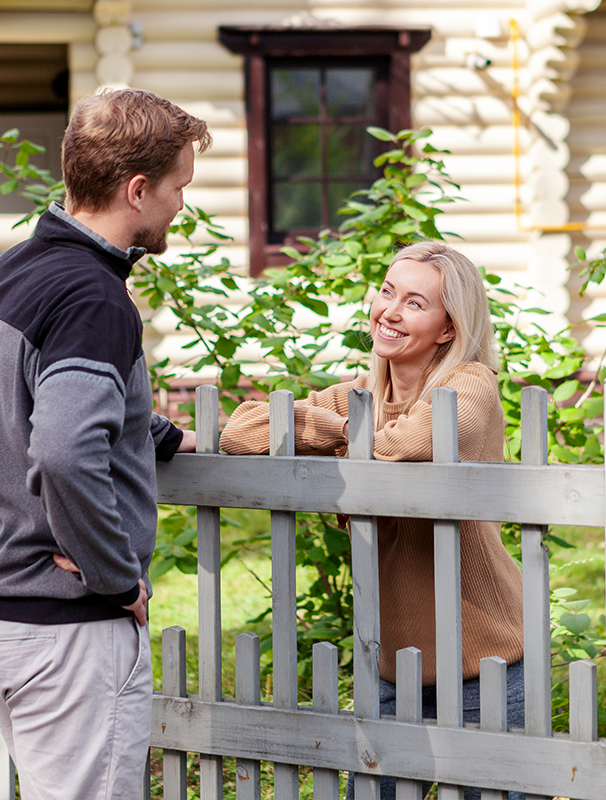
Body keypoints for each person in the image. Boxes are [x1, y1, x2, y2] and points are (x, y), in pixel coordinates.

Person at [0, 88, 209, 799]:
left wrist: (150, 433)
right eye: (178, 188)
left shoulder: (15, 272)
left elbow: (29, 404)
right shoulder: (93, 297)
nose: (180, 206)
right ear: (137, 189)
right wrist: (115, 575)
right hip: (65, 626)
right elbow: (63, 450)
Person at [220, 241, 524, 800]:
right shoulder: (356, 397)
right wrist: (340, 432)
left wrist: (321, 436)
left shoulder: (471, 385)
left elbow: (403, 449)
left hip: (484, 663)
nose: (389, 310)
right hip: (391, 665)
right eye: (387, 292)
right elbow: (240, 429)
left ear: (448, 328)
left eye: (414, 303)